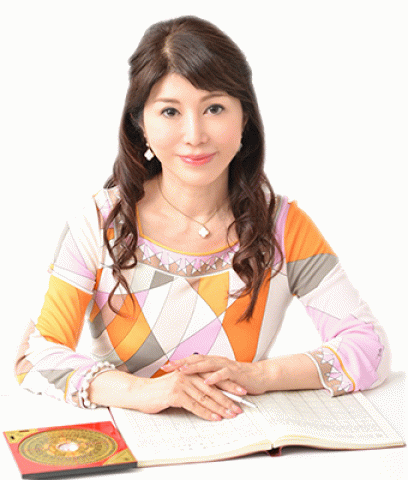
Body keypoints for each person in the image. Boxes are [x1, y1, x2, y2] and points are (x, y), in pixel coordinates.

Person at [15, 16, 390, 422]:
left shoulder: (283, 225)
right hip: (133, 444)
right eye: (170, 111)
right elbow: (35, 357)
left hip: (242, 442)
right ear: (141, 124)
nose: (195, 135)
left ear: (243, 118)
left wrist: (261, 375)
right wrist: (142, 391)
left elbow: (369, 347)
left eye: (214, 108)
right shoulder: (97, 223)